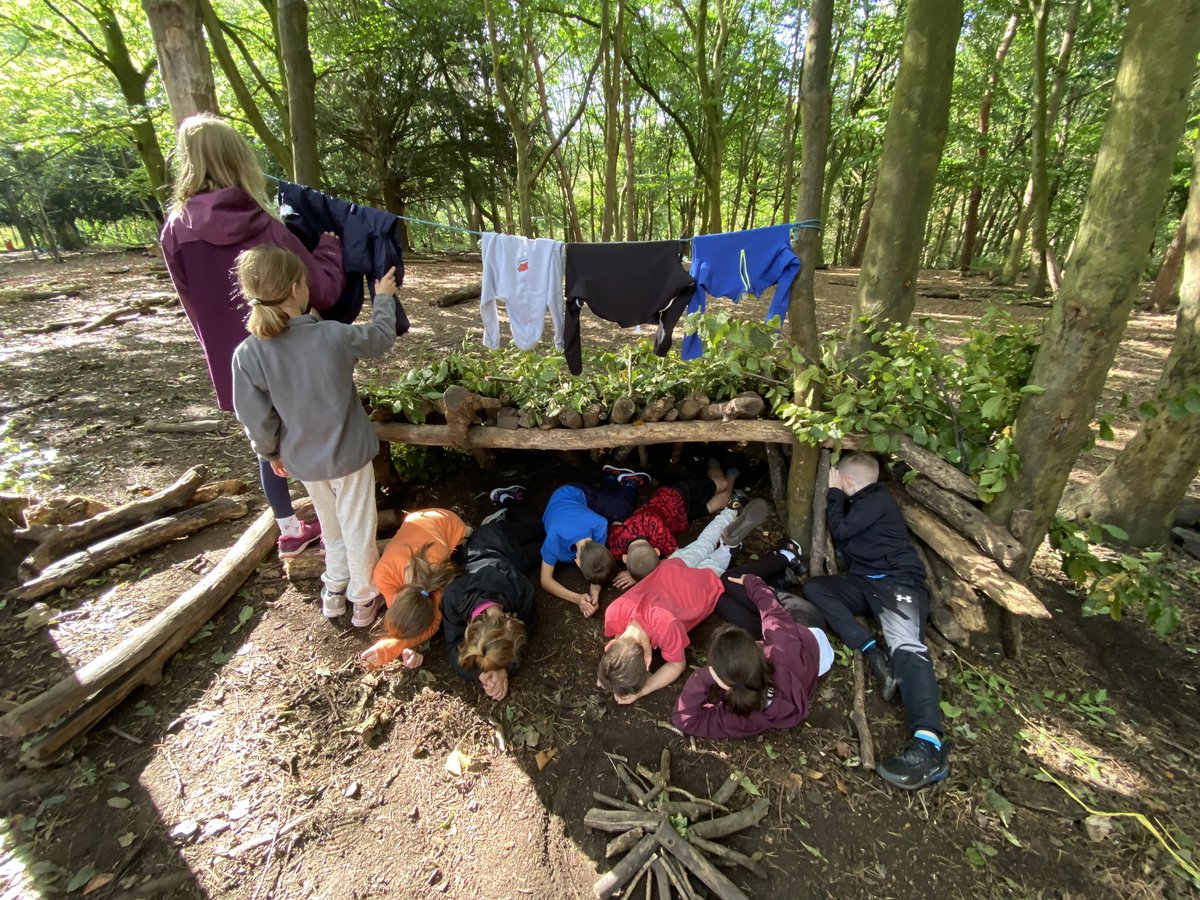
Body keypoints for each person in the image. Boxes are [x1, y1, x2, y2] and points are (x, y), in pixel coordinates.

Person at [161, 113, 346, 558]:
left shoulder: (175, 229)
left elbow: (190, 303)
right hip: (293, 352)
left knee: (267, 442)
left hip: (234, 355)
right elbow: (320, 289)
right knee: (312, 430)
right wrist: (329, 246)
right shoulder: (262, 224)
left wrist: (219, 346)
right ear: (240, 161)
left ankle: (289, 528)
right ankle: (337, 523)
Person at [230, 245, 397, 628]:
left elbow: (254, 417)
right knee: (358, 527)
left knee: (331, 524)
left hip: (302, 459)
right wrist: (383, 299)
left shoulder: (248, 353)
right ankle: (363, 598)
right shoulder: (332, 336)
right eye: (305, 281)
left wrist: (270, 452)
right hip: (349, 455)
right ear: (295, 289)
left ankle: (334, 589)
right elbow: (380, 338)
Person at [803, 452, 949, 790]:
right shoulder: (865, 500)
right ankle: (871, 652)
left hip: (898, 583)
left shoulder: (877, 500)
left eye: (839, 479)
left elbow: (840, 529)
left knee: (908, 647)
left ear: (849, 482)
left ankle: (930, 746)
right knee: (816, 588)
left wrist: (834, 493)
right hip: (866, 584)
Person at [596, 498, 770, 705]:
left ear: (649, 661)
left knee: (718, 559)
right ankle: (729, 512)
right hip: (674, 567)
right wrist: (610, 675)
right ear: (610, 646)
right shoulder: (614, 611)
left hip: (700, 585)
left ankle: (727, 548)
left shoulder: (666, 628)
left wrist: (644, 689)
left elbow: (676, 665)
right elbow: (618, 634)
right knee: (703, 542)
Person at [672, 574, 833, 739]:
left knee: (720, 593)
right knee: (725, 587)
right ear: (757, 648)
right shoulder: (779, 647)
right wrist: (752, 581)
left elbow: (685, 720)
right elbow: (772, 609)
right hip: (808, 632)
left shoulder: (746, 718)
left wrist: (703, 677)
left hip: (802, 643)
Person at [441, 512, 543, 702]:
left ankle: (504, 511)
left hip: (495, 536)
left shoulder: (520, 590)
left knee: (541, 528)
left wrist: (500, 666)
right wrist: (483, 672)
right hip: (516, 561)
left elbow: (528, 626)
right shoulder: (452, 597)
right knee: (548, 550)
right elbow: (453, 646)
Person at [358, 508, 470, 670]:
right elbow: (408, 623)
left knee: (461, 548)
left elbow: (433, 625)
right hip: (423, 519)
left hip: (450, 525)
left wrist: (396, 647)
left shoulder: (437, 575)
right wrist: (397, 645)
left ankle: (466, 534)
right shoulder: (383, 574)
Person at [607, 460, 739, 588]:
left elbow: (676, 558)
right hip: (681, 518)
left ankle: (713, 461)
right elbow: (617, 522)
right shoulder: (616, 544)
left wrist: (636, 576)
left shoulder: (659, 533)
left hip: (675, 496)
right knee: (723, 500)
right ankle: (732, 480)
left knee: (721, 484)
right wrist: (638, 571)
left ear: (624, 558)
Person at [538, 466, 648, 617]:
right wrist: (576, 598)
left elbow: (598, 564)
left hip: (577, 503)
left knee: (614, 509)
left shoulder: (600, 523)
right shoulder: (553, 539)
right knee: (621, 512)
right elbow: (545, 580)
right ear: (577, 563)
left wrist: (594, 592)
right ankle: (628, 482)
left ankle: (611, 477)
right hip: (569, 493)